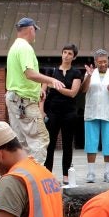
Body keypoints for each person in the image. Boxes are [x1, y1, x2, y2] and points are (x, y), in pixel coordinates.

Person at [5, 17, 65, 164]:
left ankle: (21, 176)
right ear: (31, 29)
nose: (35, 34)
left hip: (14, 98)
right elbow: (29, 73)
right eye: (35, 31)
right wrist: (51, 80)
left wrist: (37, 89)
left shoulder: (14, 47)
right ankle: (33, 177)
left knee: (22, 143)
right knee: (40, 139)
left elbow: (19, 77)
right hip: (24, 101)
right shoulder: (25, 48)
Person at [42, 43, 83, 184]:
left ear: (74, 57)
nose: (66, 55)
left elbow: (73, 93)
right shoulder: (51, 71)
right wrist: (42, 111)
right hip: (52, 112)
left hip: (69, 113)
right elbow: (43, 93)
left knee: (67, 144)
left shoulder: (76, 73)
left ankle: (66, 175)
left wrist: (56, 86)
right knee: (50, 144)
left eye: (70, 53)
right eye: (64, 52)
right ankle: (47, 173)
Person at [81, 49, 109, 183]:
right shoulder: (90, 74)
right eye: (99, 62)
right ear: (95, 62)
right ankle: (91, 173)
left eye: (105, 61)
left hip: (108, 111)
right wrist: (88, 75)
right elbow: (83, 89)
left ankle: (108, 172)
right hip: (92, 112)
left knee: (108, 143)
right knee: (91, 143)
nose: (103, 64)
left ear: (108, 61)